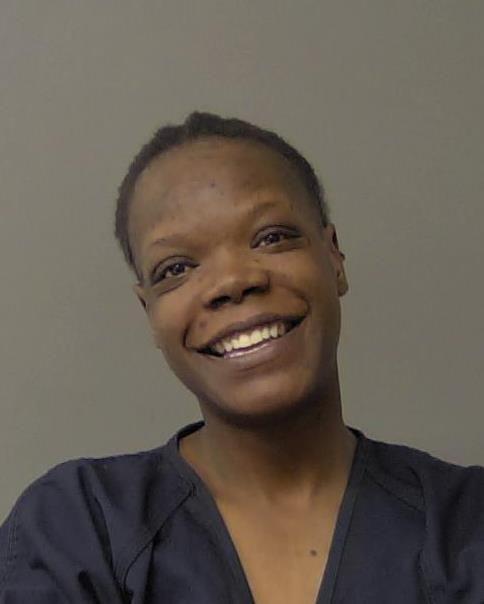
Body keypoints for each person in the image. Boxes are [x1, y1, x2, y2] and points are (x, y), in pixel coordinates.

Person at [0, 111, 483, 604]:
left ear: (334, 257)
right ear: (149, 312)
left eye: (271, 237)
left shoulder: (467, 525)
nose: (232, 281)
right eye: (176, 268)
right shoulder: (78, 528)